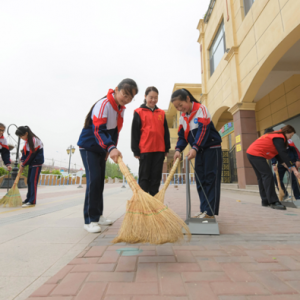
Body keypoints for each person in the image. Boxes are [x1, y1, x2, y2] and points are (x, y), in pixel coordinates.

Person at [78, 78, 138, 233]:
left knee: (100, 183)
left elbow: (114, 132)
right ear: (117, 89)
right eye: (125, 95)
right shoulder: (104, 104)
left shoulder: (120, 108)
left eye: (130, 98)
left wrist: (109, 149)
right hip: (89, 147)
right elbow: (98, 130)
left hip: (101, 148)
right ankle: (89, 220)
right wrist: (110, 148)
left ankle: (98, 216)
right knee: (94, 180)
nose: (127, 99)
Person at [172, 89, 222, 219]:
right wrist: (178, 150)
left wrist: (195, 147)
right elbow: (182, 136)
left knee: (211, 179)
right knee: (200, 180)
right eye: (176, 107)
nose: (179, 109)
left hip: (211, 148)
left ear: (188, 99)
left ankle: (210, 212)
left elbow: (203, 130)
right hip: (198, 150)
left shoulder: (201, 109)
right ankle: (204, 210)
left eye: (180, 105)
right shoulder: (183, 117)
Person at [247, 125, 300, 210]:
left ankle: (265, 200)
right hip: (256, 154)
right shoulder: (279, 137)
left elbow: (277, 154)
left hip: (251, 153)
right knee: (268, 176)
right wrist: (293, 168)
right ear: (287, 133)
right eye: (291, 135)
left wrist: (284, 164)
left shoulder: (275, 135)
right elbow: (283, 153)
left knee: (262, 177)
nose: (291, 137)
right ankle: (273, 202)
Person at [131, 86, 170, 196]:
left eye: (155, 98)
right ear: (145, 97)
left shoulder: (161, 113)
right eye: (151, 97)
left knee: (156, 178)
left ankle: (154, 203)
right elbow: (135, 133)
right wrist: (135, 151)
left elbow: (165, 131)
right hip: (145, 150)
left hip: (159, 150)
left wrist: (166, 148)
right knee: (144, 178)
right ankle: (144, 203)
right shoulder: (138, 112)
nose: (153, 100)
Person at [16, 126, 44, 208]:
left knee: (33, 181)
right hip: (32, 164)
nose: (21, 138)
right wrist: (22, 160)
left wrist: (23, 164)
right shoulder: (27, 141)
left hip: (36, 163)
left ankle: (32, 201)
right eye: (20, 137)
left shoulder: (34, 140)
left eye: (21, 136)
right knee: (29, 181)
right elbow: (25, 153)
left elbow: (31, 155)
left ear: (26, 133)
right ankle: (28, 199)